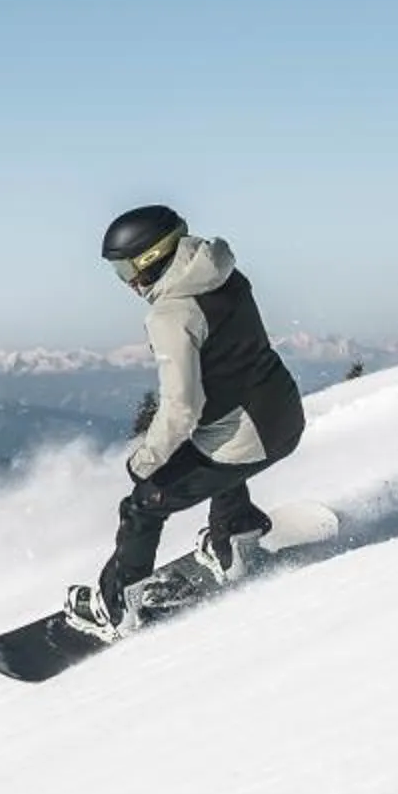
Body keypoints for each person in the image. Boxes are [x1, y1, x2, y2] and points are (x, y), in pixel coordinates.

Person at [67, 204, 307, 635]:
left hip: (247, 436)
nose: (127, 284)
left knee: (142, 505)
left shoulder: (171, 314)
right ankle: (233, 533)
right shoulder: (223, 273)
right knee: (218, 453)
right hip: (283, 415)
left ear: (151, 259)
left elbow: (181, 407)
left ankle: (117, 604)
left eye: (125, 271)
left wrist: (146, 461)